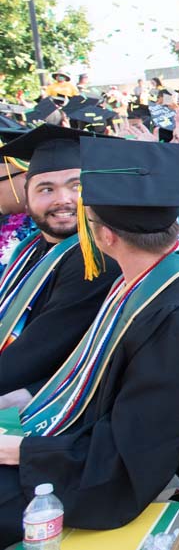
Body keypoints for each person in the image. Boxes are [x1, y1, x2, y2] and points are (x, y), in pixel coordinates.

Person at [0, 139, 179, 544]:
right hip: (78, 441)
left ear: (105, 236)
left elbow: (134, 451)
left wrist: (18, 452)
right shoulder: (152, 272)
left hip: (96, 479)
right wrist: (29, 396)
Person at [0, 126, 119, 395]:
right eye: (46, 189)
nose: (63, 200)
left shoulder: (97, 258)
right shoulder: (31, 248)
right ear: (27, 197)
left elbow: (36, 353)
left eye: (76, 186)